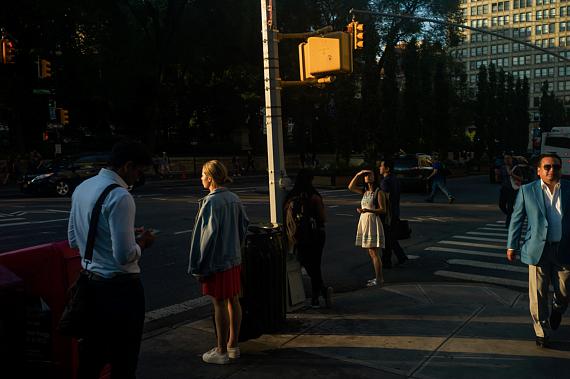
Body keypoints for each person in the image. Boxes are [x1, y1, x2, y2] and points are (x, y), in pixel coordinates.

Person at [67, 141, 156, 378]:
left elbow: (73, 239)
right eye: (139, 171)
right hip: (121, 290)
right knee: (123, 360)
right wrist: (142, 243)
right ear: (128, 166)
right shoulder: (121, 196)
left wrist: (118, 233)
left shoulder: (82, 188)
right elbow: (124, 256)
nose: (138, 178)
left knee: (91, 357)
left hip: (90, 286)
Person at [188, 160, 249, 364]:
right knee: (234, 300)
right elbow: (243, 227)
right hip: (233, 258)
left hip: (217, 261)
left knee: (219, 303)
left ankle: (221, 350)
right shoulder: (234, 198)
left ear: (211, 178)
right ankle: (233, 345)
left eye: (203, 174)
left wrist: (198, 265)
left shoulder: (211, 202)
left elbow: (205, 238)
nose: (201, 178)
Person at [507, 153, 570, 348]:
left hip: (565, 249)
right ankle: (541, 331)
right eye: (548, 167)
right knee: (538, 294)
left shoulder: (568, 189)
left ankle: (558, 309)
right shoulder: (527, 190)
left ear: (561, 169)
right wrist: (512, 244)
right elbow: (517, 218)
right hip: (538, 249)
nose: (552, 170)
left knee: (565, 291)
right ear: (539, 170)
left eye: (556, 167)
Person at [284, 169, 333, 308]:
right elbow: (322, 217)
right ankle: (317, 296)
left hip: (298, 236)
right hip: (316, 234)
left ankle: (319, 293)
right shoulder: (314, 196)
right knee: (315, 265)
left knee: (305, 263)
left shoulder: (291, 196)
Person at [348, 169, 387, 287]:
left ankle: (379, 279)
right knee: (371, 252)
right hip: (365, 221)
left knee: (374, 252)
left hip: (372, 221)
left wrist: (367, 210)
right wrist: (358, 174)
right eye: (365, 175)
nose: (367, 177)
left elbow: (383, 209)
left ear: (375, 177)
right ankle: (378, 278)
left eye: (370, 174)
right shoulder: (364, 191)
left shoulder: (378, 192)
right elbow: (350, 187)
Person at [379, 159, 408, 268]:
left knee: (387, 238)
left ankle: (386, 262)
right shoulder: (395, 179)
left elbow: (385, 198)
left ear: (387, 168)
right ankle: (401, 257)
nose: (379, 168)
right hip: (396, 211)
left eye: (381, 166)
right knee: (391, 237)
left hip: (388, 214)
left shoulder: (385, 181)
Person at [498, 153, 522, 228]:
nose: (507, 160)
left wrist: (512, 174)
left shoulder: (516, 168)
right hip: (504, 189)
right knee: (501, 205)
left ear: (511, 159)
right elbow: (500, 178)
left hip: (512, 190)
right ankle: (511, 215)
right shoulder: (502, 168)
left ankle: (508, 223)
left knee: (510, 206)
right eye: (505, 158)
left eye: (508, 158)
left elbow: (521, 178)